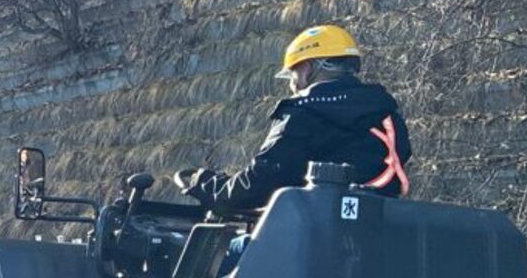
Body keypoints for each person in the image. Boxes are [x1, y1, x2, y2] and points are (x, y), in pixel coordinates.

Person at [174, 24, 412, 213]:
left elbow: (262, 181)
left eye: (293, 73)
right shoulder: (387, 115)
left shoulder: (303, 113)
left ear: (308, 68)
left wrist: (210, 186)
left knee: (227, 252)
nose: (292, 84)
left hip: (310, 235)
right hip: (372, 232)